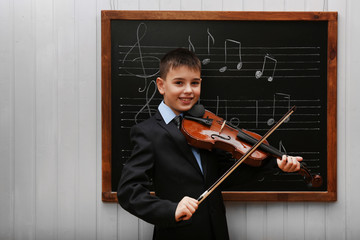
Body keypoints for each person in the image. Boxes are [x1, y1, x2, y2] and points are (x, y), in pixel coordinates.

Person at [117, 48, 302, 240]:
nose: (188, 90)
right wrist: (170, 209)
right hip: (177, 233)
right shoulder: (147, 132)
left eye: (194, 83)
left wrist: (273, 164)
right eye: (179, 82)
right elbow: (128, 191)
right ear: (161, 86)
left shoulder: (207, 126)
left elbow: (226, 176)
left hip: (217, 231)